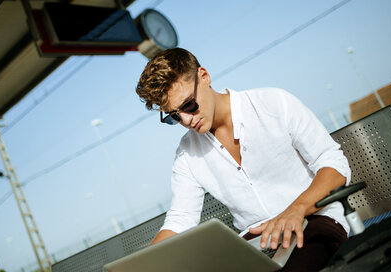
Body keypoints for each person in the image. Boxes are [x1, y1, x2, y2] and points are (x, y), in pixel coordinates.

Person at [135, 48, 351, 271]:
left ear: (204, 76)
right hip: (254, 243)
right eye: (174, 117)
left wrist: (296, 210)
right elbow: (180, 220)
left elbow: (333, 163)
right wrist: (141, 266)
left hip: (312, 221)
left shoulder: (274, 103)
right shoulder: (187, 154)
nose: (187, 120)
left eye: (189, 105)